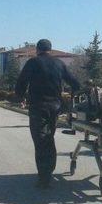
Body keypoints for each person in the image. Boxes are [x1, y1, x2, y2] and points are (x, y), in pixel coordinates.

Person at [15, 39, 80, 189]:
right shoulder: (59, 63)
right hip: (55, 107)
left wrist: (20, 97)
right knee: (49, 137)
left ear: (38, 49)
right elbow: (74, 83)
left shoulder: (33, 63)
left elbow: (21, 82)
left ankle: (44, 176)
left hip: (38, 107)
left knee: (40, 140)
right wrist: (73, 96)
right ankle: (49, 171)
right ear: (50, 50)